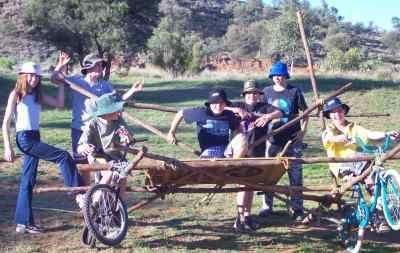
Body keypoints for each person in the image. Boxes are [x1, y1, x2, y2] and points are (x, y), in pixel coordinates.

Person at [2, 62, 82, 234]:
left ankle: (23, 223)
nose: (34, 79)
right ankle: (76, 190)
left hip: (34, 137)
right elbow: (6, 123)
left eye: (37, 77)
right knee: (63, 156)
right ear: (22, 76)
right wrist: (7, 148)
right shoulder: (16, 94)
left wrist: (60, 83)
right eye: (30, 75)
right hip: (25, 139)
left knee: (28, 181)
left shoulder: (37, 95)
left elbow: (60, 103)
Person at [51, 52, 143, 162]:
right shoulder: (76, 81)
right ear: (89, 68)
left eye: (101, 65)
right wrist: (60, 64)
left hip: (99, 130)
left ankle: (102, 178)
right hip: (80, 128)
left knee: (101, 162)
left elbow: (117, 101)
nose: (101, 68)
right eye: (97, 65)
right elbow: (55, 79)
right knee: (82, 164)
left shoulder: (105, 85)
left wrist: (132, 90)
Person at [225, 80, 283, 232]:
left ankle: (247, 216)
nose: (252, 96)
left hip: (256, 151)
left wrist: (268, 117)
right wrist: (237, 111)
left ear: (259, 95)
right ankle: (239, 218)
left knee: (250, 186)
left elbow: (280, 112)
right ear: (244, 95)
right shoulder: (238, 105)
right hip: (240, 152)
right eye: (249, 93)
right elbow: (222, 107)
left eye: (255, 93)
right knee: (243, 185)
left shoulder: (263, 107)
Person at [260, 61, 309, 221]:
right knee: (269, 175)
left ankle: (297, 208)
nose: (278, 78)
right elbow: (260, 113)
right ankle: (267, 206)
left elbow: (305, 113)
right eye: (275, 76)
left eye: (280, 75)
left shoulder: (294, 91)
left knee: (295, 174)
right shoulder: (266, 92)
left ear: (285, 76)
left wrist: (302, 131)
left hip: (292, 138)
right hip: (272, 139)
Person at [322, 97, 399, 183]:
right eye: (333, 112)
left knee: (373, 167)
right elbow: (330, 139)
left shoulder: (353, 127)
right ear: (329, 115)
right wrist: (341, 138)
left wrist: (386, 134)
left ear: (344, 111)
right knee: (365, 164)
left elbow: (369, 134)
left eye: (339, 110)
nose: (337, 114)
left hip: (358, 162)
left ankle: (376, 192)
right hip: (341, 165)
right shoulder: (329, 130)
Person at [77, 93, 135, 199]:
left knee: (123, 176)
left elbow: (128, 138)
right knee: (109, 174)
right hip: (98, 155)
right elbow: (81, 145)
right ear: (106, 112)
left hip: (116, 156)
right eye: (116, 110)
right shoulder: (93, 124)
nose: (119, 112)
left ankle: (120, 205)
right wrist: (85, 147)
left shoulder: (118, 121)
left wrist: (127, 138)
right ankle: (93, 202)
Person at [167, 87, 244, 159]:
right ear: (210, 104)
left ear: (225, 103)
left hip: (226, 149)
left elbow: (238, 128)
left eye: (221, 102)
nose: (218, 106)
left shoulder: (229, 115)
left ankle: (233, 165)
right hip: (209, 150)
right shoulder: (201, 113)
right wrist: (171, 132)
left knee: (242, 138)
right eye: (214, 102)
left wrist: (237, 137)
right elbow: (180, 113)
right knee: (208, 161)